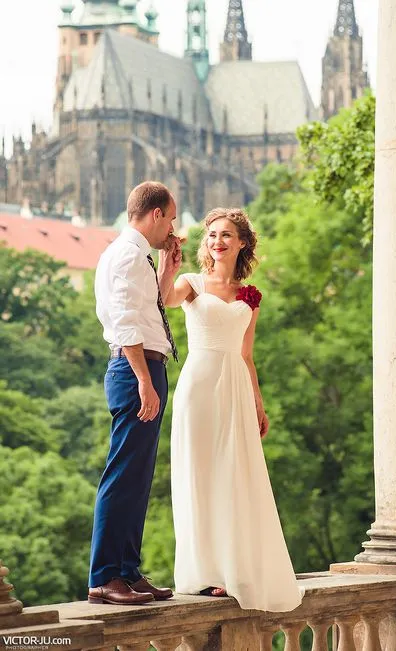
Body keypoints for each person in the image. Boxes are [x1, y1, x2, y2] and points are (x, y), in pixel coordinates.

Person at [161, 207, 303, 612]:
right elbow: (166, 299)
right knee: (199, 471)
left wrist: (258, 403)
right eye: (211, 236)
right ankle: (202, 572)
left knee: (233, 474)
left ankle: (230, 568)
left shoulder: (249, 295)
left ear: (241, 243)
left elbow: (246, 354)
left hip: (236, 388)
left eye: (226, 235)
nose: (217, 241)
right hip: (199, 385)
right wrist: (168, 265)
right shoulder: (192, 283)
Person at [88, 181, 182, 605]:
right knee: (123, 475)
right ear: (156, 213)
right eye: (172, 217)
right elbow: (125, 321)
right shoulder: (127, 255)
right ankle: (105, 577)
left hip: (145, 364)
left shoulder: (140, 255)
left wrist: (167, 271)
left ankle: (127, 570)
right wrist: (143, 379)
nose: (173, 227)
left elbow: (150, 310)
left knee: (138, 478)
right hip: (135, 368)